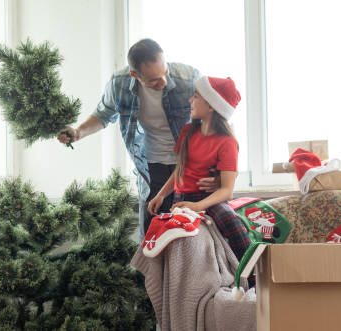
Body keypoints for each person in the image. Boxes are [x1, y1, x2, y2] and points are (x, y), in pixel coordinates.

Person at [57, 39, 217, 241]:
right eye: (153, 80)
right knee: (153, 240)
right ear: (135, 75)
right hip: (151, 168)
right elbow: (104, 114)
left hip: (189, 166)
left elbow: (219, 124)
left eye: (165, 73)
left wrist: (219, 174)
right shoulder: (120, 83)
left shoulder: (189, 78)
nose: (163, 82)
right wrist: (78, 132)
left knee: (196, 238)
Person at [146, 76, 250, 260]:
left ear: (211, 106)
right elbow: (180, 170)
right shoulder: (187, 132)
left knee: (231, 222)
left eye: (196, 96)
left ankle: (252, 272)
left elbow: (227, 191)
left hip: (208, 200)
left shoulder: (227, 143)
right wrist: (161, 195)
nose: (190, 100)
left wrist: (198, 206)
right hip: (181, 198)